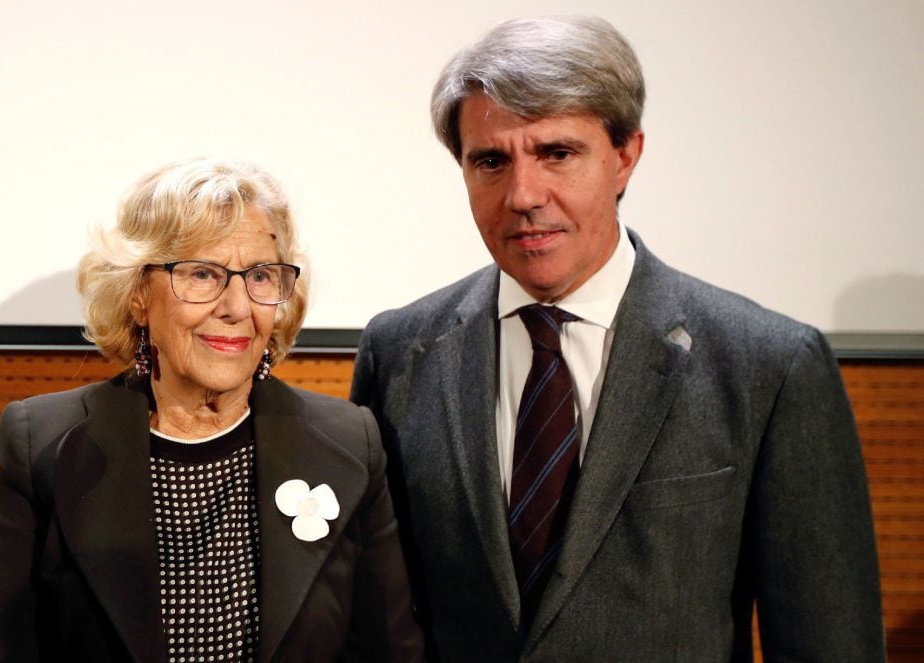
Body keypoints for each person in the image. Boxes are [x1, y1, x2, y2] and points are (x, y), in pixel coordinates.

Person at [351, 15, 885, 662]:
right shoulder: (398, 352)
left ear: (625, 155)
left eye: (557, 153)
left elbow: (831, 644)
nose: (523, 194)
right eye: (490, 161)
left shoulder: (769, 365)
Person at [0, 158, 424, 662]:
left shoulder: (348, 442)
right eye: (203, 274)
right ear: (138, 294)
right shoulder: (44, 445)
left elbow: (389, 650)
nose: (237, 306)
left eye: (261, 276)